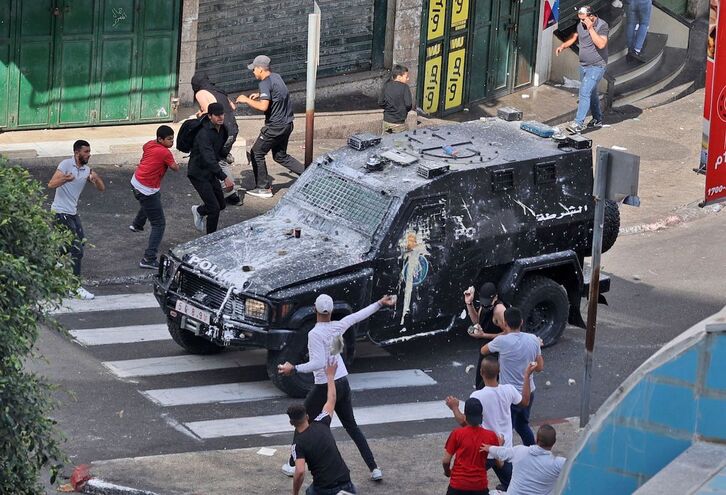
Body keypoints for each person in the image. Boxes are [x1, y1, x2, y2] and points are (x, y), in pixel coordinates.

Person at [278, 293, 397, 482]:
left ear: (315, 310)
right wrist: (380, 303)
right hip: (342, 380)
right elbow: (358, 315)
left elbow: (317, 363)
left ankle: (292, 465)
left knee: (300, 419)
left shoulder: (314, 334)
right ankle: (374, 468)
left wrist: (293, 368)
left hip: (325, 384)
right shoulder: (338, 326)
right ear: (331, 310)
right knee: (352, 427)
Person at [446, 357, 537, 491]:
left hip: (485, 450)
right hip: (503, 449)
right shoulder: (509, 390)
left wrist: (454, 407)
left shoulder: (477, 395)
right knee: (512, 486)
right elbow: (525, 402)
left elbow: (464, 422)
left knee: (469, 481)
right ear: (499, 372)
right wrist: (527, 376)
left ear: (481, 372)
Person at [236, 55, 304, 199]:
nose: (253, 72)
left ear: (260, 69)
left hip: (275, 127)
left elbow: (263, 106)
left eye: (254, 69)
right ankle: (308, 174)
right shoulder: (277, 77)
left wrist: (246, 99)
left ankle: (263, 188)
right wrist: (260, 94)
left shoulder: (264, 83)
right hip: (287, 124)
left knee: (256, 153)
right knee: (280, 156)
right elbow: (280, 94)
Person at [288, 360, 357, 495]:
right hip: (346, 483)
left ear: (292, 423)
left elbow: (300, 471)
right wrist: (330, 376)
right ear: (307, 416)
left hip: (325, 489)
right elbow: (331, 398)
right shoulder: (322, 422)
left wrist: (295, 493)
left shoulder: (298, 445)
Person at [48, 140, 105, 300]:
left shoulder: (86, 170)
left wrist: (96, 179)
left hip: (72, 212)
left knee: (76, 243)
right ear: (76, 152)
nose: (89, 154)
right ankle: (75, 287)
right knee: (77, 248)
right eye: (86, 152)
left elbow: (102, 189)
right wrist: (65, 179)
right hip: (60, 211)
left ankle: (50, 262)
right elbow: (51, 184)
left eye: (89, 151)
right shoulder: (66, 165)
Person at [480, 308, 544, 446]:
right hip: (529, 391)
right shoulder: (533, 339)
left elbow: (483, 350)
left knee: (505, 428)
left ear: (505, 323)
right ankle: (531, 451)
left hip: (509, 395)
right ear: (521, 322)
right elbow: (539, 367)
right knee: (522, 425)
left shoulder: (502, 341)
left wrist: (501, 333)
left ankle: (504, 457)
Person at [129, 125, 180, 269]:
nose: (172, 142)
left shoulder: (149, 145)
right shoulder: (165, 153)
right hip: (147, 189)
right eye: (169, 139)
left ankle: (137, 224)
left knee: (153, 200)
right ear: (160, 139)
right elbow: (175, 168)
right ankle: (148, 258)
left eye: (173, 139)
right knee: (159, 224)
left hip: (136, 182)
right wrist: (177, 164)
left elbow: (147, 151)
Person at [555, 5, 609, 133]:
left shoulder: (602, 25)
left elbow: (601, 44)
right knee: (592, 93)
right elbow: (574, 37)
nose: (581, 22)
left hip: (597, 66)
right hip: (584, 66)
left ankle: (578, 124)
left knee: (584, 92)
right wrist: (563, 46)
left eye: (584, 19)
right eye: (580, 19)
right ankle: (597, 119)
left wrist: (590, 28)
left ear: (591, 17)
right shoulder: (580, 25)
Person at [190, 72, 241, 205]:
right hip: (233, 129)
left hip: (221, 130)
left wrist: (200, 114)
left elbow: (208, 111)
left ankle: (232, 194)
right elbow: (233, 107)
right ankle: (226, 189)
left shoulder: (200, 93)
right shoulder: (219, 91)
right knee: (220, 158)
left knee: (218, 161)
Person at [187, 102, 235, 235]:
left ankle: (199, 211)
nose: (220, 117)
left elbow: (218, 151)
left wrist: (226, 156)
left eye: (222, 114)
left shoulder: (223, 130)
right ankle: (210, 239)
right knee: (214, 209)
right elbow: (208, 158)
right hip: (198, 174)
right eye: (217, 115)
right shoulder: (204, 134)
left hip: (210, 173)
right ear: (209, 116)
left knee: (221, 205)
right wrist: (224, 177)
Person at [481, 424, 566, 495]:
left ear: (536, 439)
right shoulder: (557, 463)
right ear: (554, 442)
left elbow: (502, 452)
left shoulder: (520, 451)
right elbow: (574, 464)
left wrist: (489, 448)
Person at [442, 398, 501, 495]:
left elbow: (446, 461)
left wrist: (447, 472)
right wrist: (499, 447)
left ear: (465, 416)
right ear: (481, 417)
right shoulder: (491, 436)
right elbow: (500, 464)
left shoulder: (457, 433)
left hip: (458, 485)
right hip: (479, 486)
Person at [464, 282, 507, 389]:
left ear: (495, 297)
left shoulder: (499, 310)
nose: (485, 305)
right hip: (485, 350)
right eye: (483, 302)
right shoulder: (484, 307)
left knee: (489, 386)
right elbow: (477, 321)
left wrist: (484, 335)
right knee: (480, 384)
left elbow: (507, 334)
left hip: (496, 354)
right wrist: (469, 304)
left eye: (488, 303)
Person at [378, 64, 413, 134]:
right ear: (399, 77)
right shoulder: (405, 87)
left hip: (387, 121)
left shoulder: (386, 85)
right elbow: (408, 104)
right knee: (401, 143)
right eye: (406, 77)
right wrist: (402, 110)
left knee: (386, 143)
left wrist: (389, 108)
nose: (408, 79)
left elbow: (380, 102)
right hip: (399, 123)